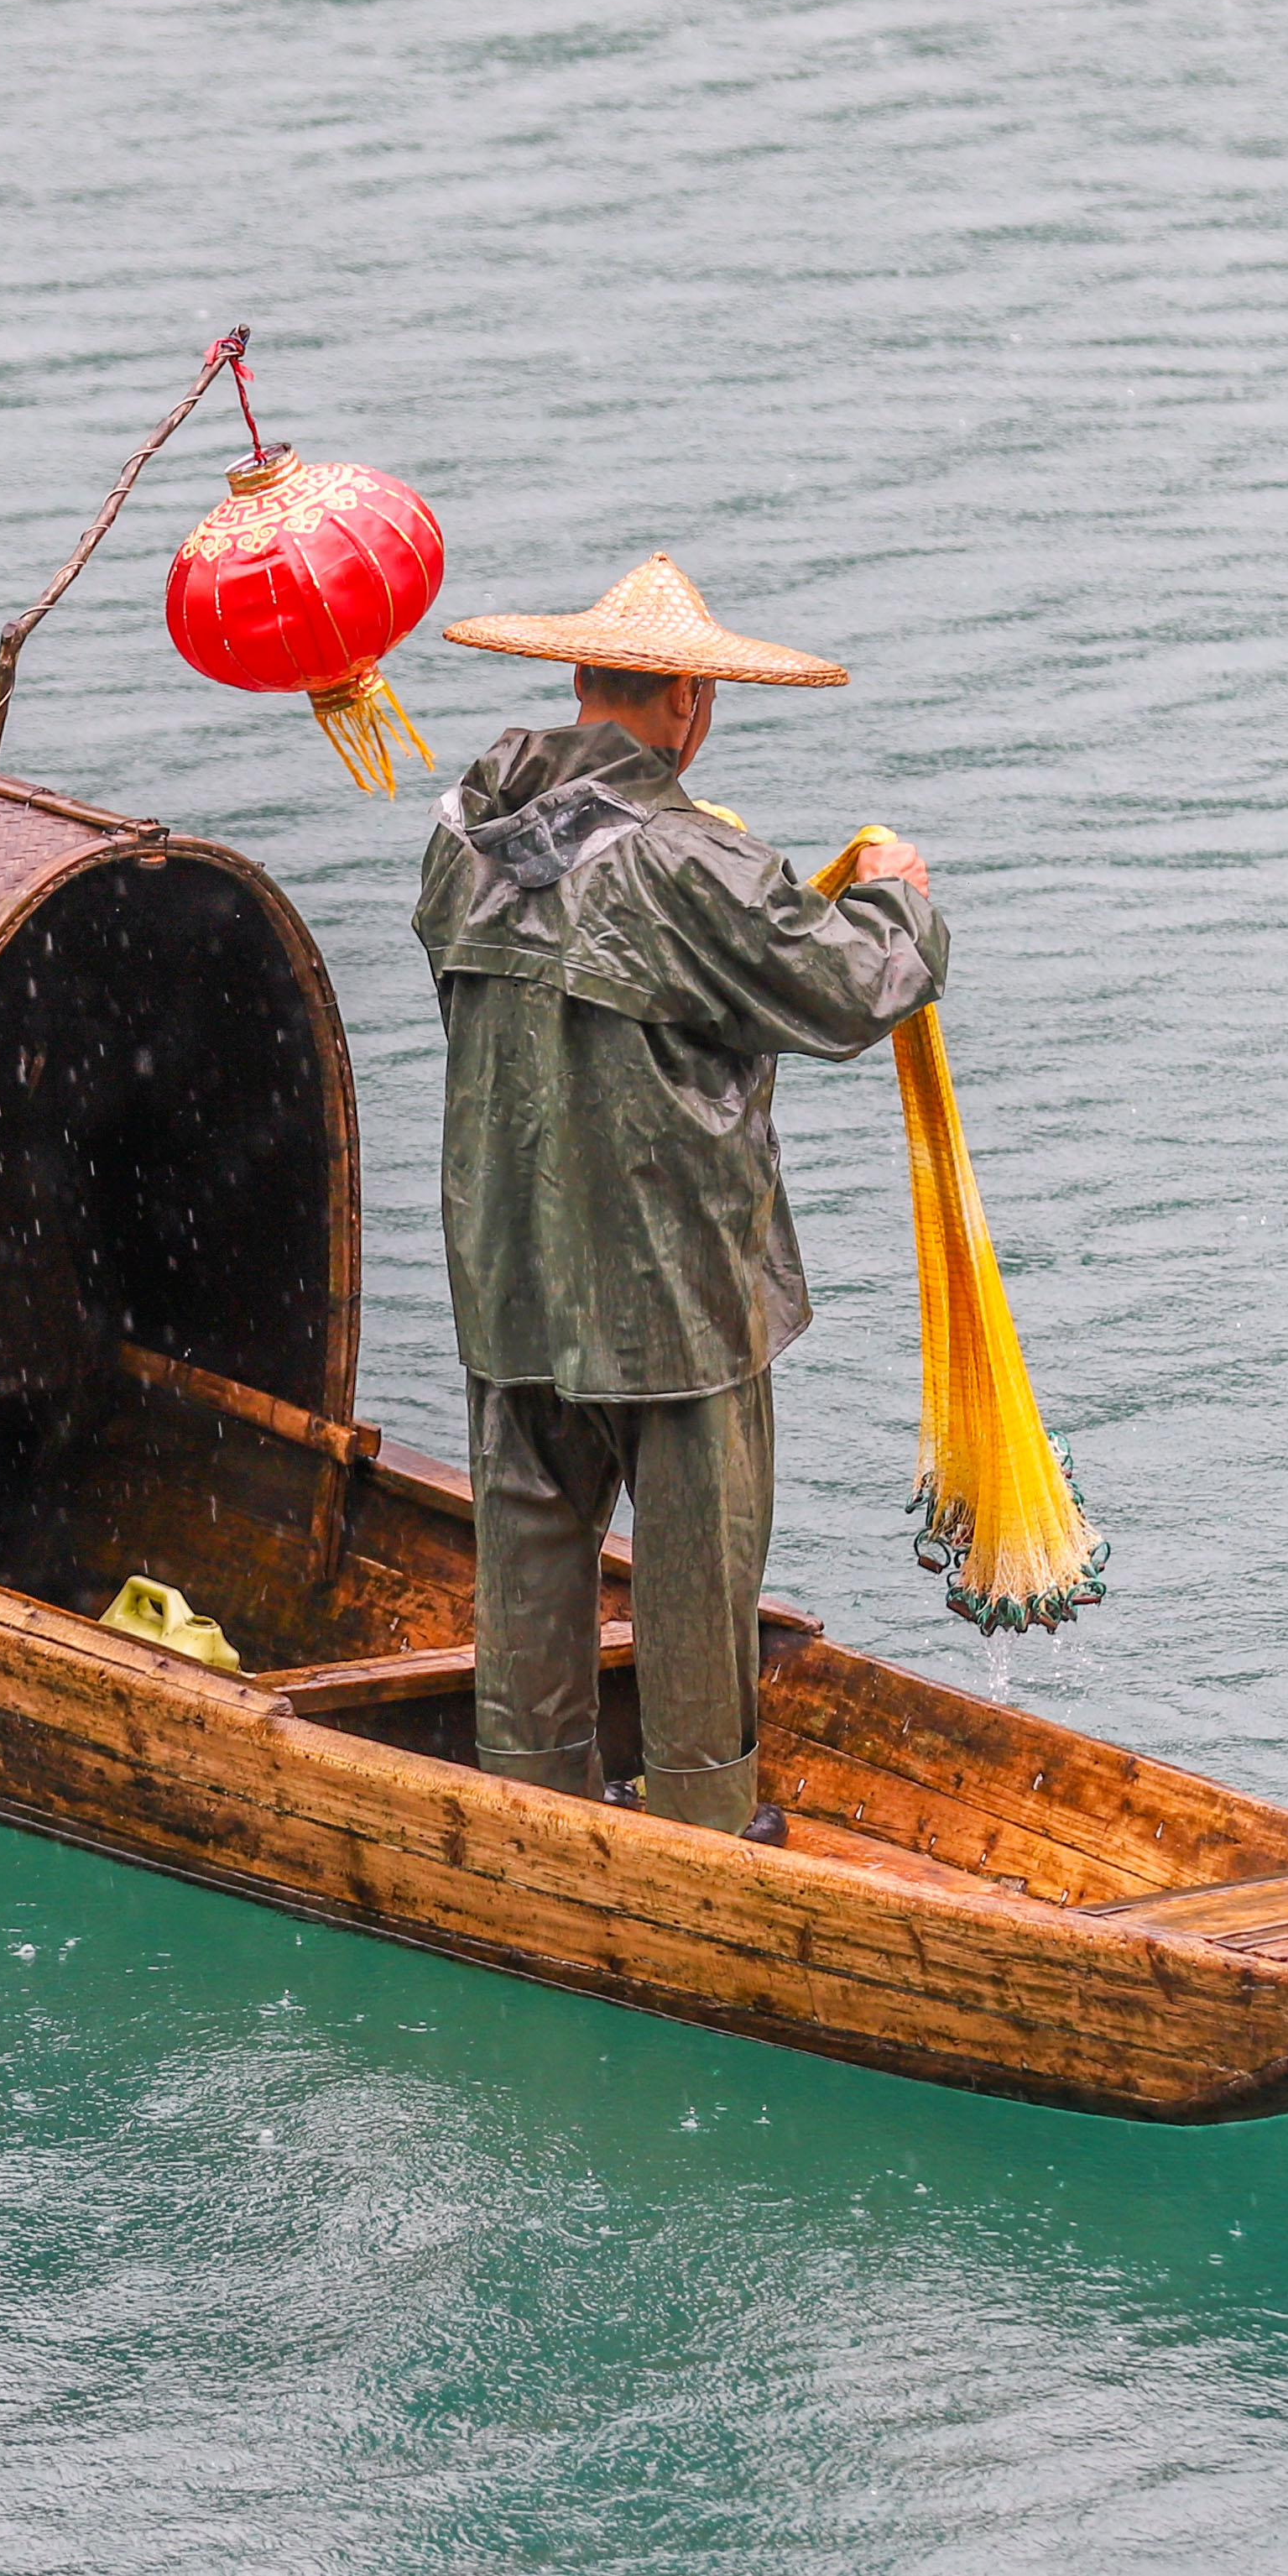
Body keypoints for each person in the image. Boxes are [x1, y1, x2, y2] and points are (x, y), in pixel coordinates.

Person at [415, 552, 944, 1841]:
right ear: (689, 706)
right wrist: (903, 902)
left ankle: (531, 1797)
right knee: (699, 1565)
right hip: (672, 1286)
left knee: (532, 1538)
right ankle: (708, 1824)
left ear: (579, 680)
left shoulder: (457, 840)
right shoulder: (693, 863)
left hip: (512, 1267)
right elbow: (846, 988)